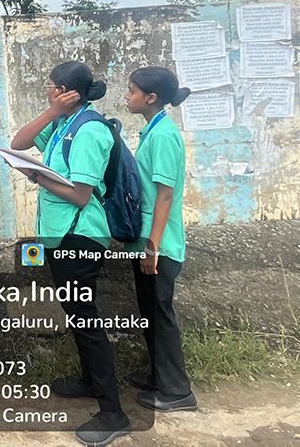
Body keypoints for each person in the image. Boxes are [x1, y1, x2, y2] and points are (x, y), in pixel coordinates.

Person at [8, 62, 131, 446]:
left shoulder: (90, 130)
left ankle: (113, 412)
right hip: (60, 237)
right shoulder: (64, 123)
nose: (46, 91)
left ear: (64, 90)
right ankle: (90, 382)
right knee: (77, 315)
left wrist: (34, 176)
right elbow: (18, 143)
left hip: (80, 238)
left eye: (50, 87)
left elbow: (80, 194)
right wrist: (52, 111)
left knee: (86, 320)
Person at [124, 67, 197, 412]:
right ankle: (161, 376)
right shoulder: (152, 130)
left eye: (132, 90)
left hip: (160, 243)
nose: (127, 96)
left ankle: (177, 391)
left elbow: (165, 196)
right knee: (149, 313)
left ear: (151, 97)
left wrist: (152, 247)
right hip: (147, 239)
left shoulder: (164, 135)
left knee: (159, 313)